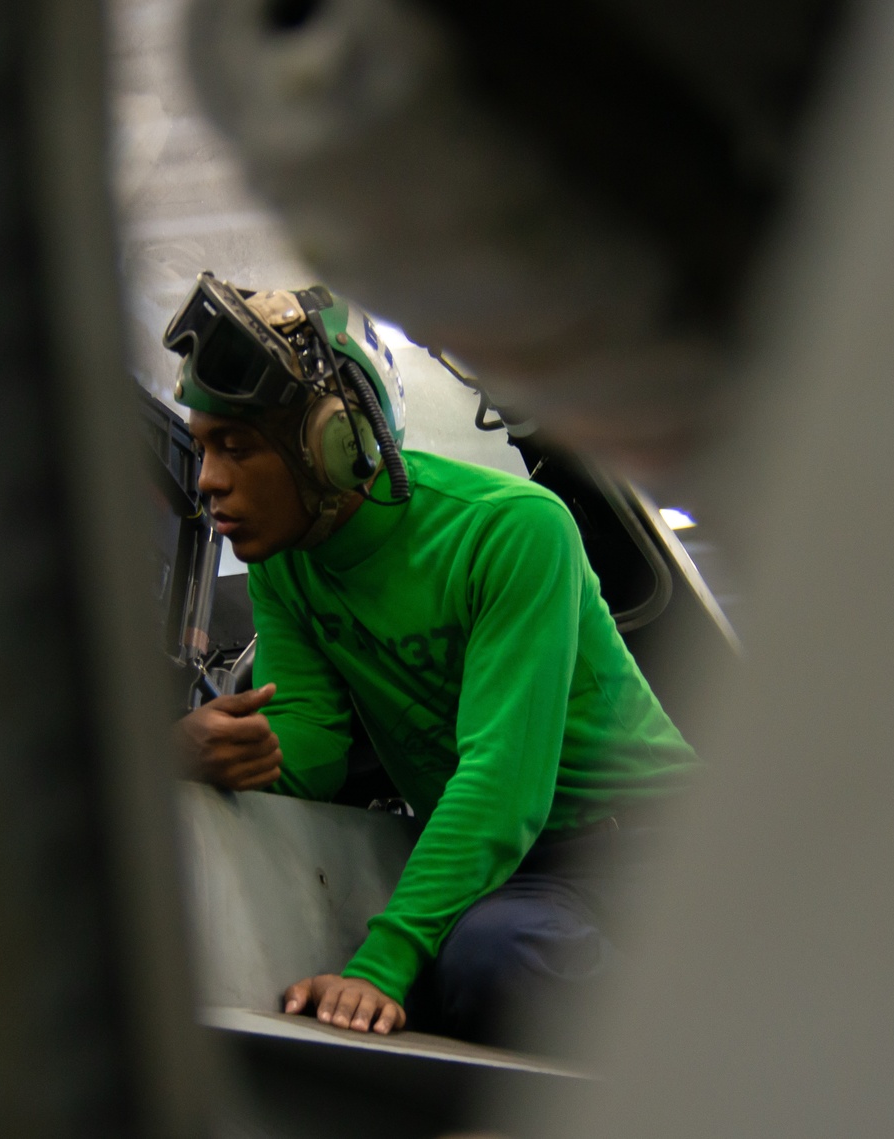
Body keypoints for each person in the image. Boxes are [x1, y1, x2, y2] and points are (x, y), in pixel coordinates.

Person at [168, 271, 700, 1054]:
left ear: (334, 445)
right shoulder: (288, 564)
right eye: (205, 445)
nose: (208, 479)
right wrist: (185, 750)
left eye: (236, 446)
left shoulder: (514, 530)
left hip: (655, 850)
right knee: (476, 965)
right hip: (522, 873)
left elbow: (500, 782)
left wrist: (383, 964)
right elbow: (308, 749)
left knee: (492, 964)